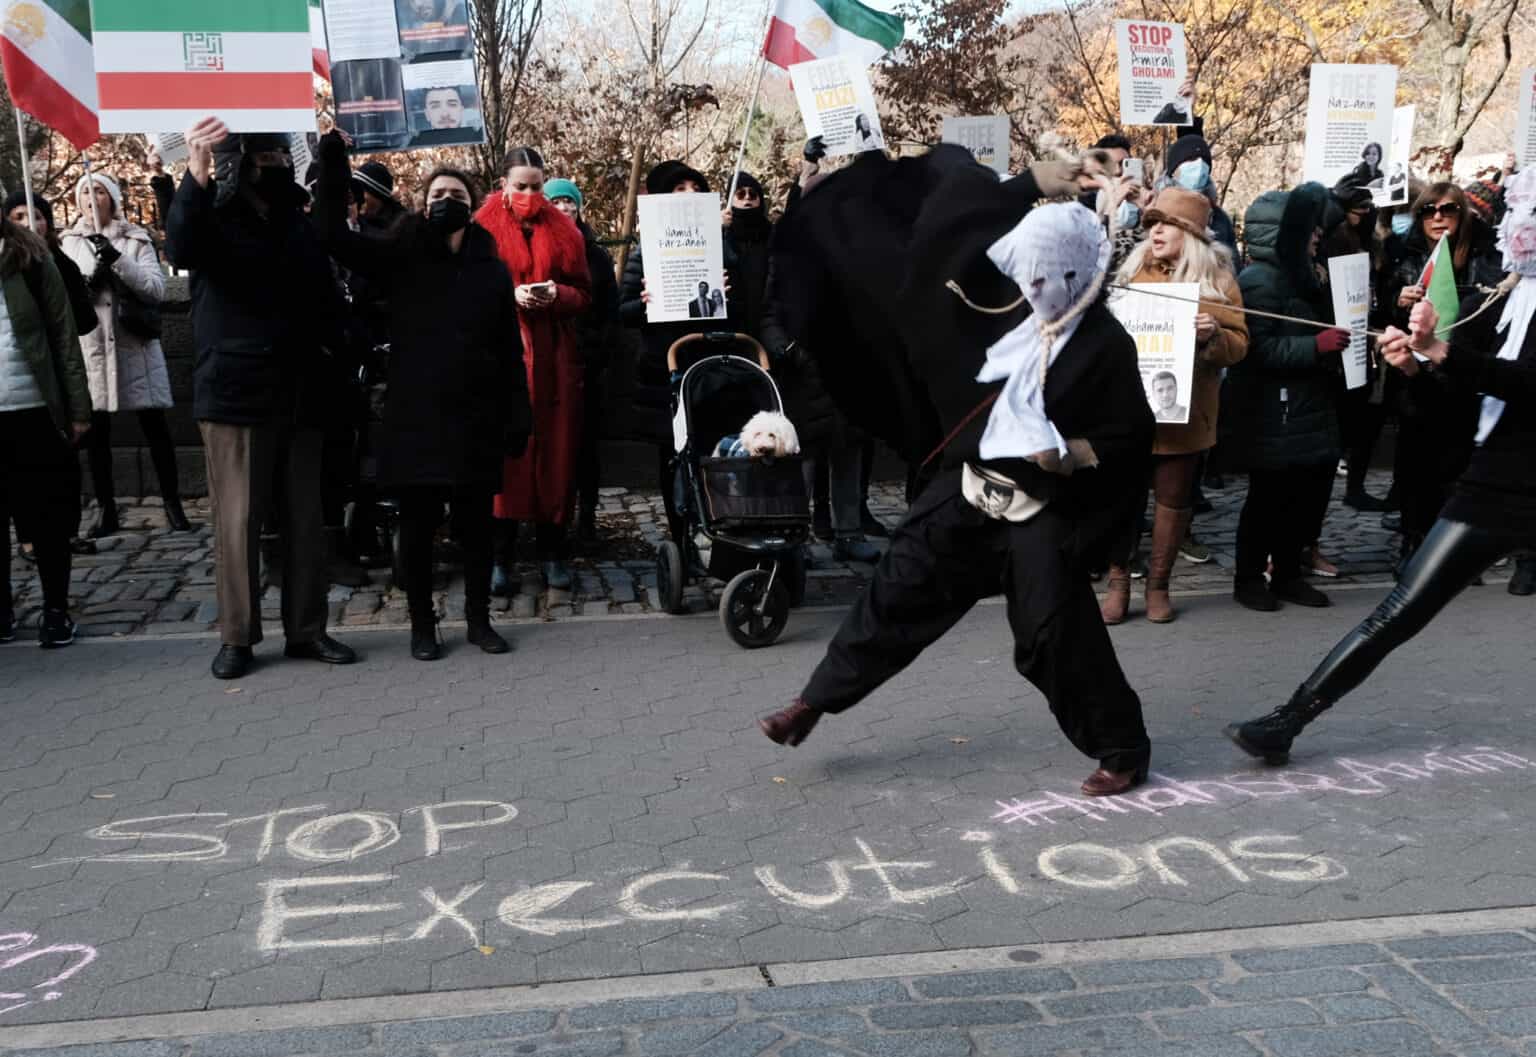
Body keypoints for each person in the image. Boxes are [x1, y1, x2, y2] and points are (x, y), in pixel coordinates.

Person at [759, 145, 1155, 798]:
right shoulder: (987, 305)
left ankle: (1122, 748)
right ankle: (814, 702)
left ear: (1079, 274)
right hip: (968, 486)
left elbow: (1131, 435)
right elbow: (949, 226)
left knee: (1052, 632)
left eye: (1047, 277)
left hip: (1040, 506)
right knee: (895, 591)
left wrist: (1072, 453)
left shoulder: (1107, 345)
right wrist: (1029, 182)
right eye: (1026, 274)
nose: (1033, 289)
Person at [1225, 168, 1536, 763]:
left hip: (1514, 475)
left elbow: (1524, 383)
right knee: (1401, 606)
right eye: (1520, 216)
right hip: (1498, 483)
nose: (1519, 230)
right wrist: (1418, 363)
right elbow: (1469, 389)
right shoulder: (1509, 293)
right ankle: (1286, 722)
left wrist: (1441, 352)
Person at [313, 132, 529, 660]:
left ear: (472, 204)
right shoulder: (402, 254)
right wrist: (334, 163)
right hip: (417, 417)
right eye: (436, 195)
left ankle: (478, 620)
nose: (445, 201)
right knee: (417, 527)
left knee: (477, 527)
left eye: (455, 194)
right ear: (422, 204)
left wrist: (517, 415)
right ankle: (422, 625)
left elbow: (508, 348)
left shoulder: (491, 269)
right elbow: (332, 236)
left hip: (476, 416)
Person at [166, 116, 356, 680]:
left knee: (306, 521)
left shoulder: (298, 221)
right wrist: (196, 168)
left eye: (279, 155)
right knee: (238, 522)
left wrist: (332, 154)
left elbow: (327, 279)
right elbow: (181, 243)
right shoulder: (213, 214)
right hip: (235, 393)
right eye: (262, 156)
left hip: (300, 390)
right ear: (239, 163)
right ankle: (237, 636)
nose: (273, 164)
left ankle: (307, 628)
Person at [1102, 187, 1247, 625]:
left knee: (1173, 500)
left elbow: (1239, 345)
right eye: (1153, 224)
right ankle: (1118, 584)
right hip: (1129, 412)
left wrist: (1212, 336)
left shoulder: (1217, 281)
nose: (1157, 232)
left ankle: (1159, 586)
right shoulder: (1131, 272)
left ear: (1193, 235)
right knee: (1121, 500)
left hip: (1185, 415)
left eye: (1168, 225)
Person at [1224, 182, 1351, 613]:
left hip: (1303, 407)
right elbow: (1255, 349)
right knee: (1267, 501)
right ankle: (1248, 579)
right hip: (1273, 413)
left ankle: (1288, 575)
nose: (1318, 235)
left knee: (1300, 500)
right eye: (1309, 228)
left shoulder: (1301, 277)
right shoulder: (1258, 281)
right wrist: (1316, 346)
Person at [475, 146, 592, 593]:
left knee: (555, 456)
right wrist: (510, 296)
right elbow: (468, 291)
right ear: (503, 185)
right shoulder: (482, 229)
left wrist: (556, 294)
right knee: (506, 458)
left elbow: (584, 293)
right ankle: (500, 556)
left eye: (536, 187)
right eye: (520, 186)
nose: (528, 195)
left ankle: (552, 552)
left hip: (553, 356)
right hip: (502, 354)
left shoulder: (564, 231)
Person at [61, 172, 193, 539]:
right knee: (97, 435)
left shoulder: (136, 238)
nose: (92, 197)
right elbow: (64, 297)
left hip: (135, 345)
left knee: (156, 429)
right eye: (85, 191)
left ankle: (173, 504)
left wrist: (117, 259)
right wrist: (88, 282)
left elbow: (155, 288)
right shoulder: (69, 243)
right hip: (94, 349)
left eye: (99, 190)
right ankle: (106, 509)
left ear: (113, 198)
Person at [1381, 183, 1504, 574]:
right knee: (1415, 461)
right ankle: (1413, 541)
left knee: (1458, 462)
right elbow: (1383, 314)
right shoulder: (1405, 255)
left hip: (1464, 370)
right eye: (1428, 210)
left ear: (1462, 214)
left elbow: (1495, 309)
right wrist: (1398, 301)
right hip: (1415, 374)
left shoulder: (1485, 255)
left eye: (1448, 210)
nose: (1437, 217)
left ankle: (1451, 550)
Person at [621, 159, 741, 554]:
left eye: (696, 188)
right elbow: (622, 312)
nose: (690, 194)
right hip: (666, 370)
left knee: (713, 454)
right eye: (679, 188)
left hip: (712, 369)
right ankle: (681, 537)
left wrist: (727, 290)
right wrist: (644, 303)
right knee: (672, 458)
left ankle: (718, 534)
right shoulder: (644, 253)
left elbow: (745, 308)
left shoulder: (720, 246)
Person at [0, 214, 92, 647]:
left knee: (47, 519)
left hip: (35, 409)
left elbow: (63, 335)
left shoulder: (31, 258)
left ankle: (56, 610)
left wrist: (78, 408)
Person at [544, 178, 620, 545]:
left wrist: (595, 352)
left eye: (569, 201)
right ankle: (550, 520)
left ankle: (586, 516)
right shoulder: (538, 247)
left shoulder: (596, 255)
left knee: (586, 447)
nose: (564, 208)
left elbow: (609, 311)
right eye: (556, 201)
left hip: (587, 363)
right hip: (547, 360)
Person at [1326, 180, 1392, 514]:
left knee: (1367, 419)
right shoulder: (1332, 241)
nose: (1363, 215)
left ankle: (1356, 486)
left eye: (1368, 209)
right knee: (1343, 418)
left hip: (1368, 338)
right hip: (1340, 340)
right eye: (1357, 208)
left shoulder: (1374, 244)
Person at [1162, 134, 1238, 261]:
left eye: (1204, 161)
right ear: (1173, 171)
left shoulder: (1219, 218)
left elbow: (1234, 265)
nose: (1199, 165)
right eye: (1191, 159)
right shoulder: (1155, 211)